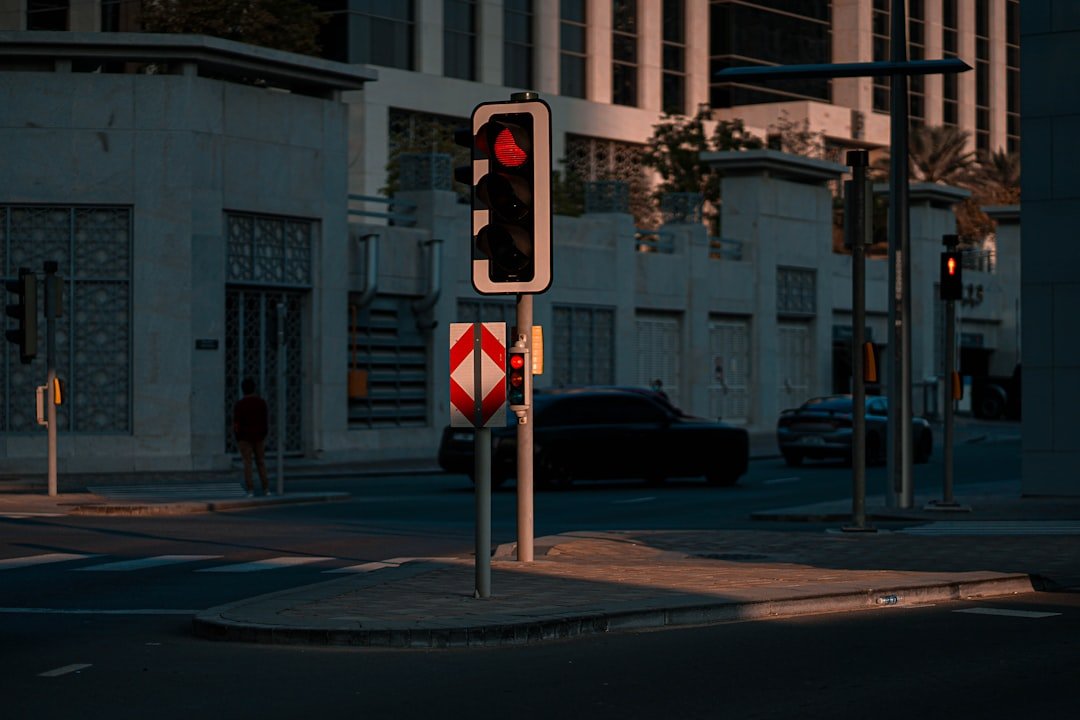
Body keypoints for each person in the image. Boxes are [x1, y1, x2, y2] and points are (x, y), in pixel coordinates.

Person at [233, 377, 270, 496]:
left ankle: (250, 490)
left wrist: (238, 437)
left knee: (247, 463)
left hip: (244, 438)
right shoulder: (261, 403)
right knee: (261, 462)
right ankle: (266, 489)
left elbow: (236, 423)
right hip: (259, 437)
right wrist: (264, 434)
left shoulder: (240, 405)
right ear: (254, 389)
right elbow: (265, 421)